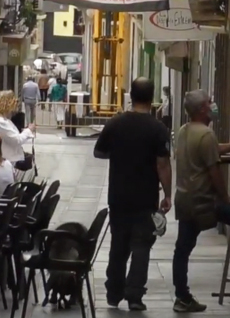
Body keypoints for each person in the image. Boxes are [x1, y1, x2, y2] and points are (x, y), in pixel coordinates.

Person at [94, 77, 172, 311]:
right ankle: (135, 296)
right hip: (145, 198)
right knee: (141, 248)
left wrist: (120, 155)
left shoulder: (115, 123)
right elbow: (163, 164)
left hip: (118, 196)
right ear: (152, 98)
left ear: (131, 97)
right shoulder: (158, 128)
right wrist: (167, 194)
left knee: (118, 246)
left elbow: (99, 152)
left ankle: (113, 293)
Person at [172, 90, 230, 313]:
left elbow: (211, 150)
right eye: (210, 102)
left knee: (182, 248)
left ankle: (182, 296)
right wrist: (227, 197)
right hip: (203, 201)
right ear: (201, 110)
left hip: (185, 199)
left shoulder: (185, 130)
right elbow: (214, 169)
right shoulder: (206, 134)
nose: (213, 105)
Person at [0, 91, 36, 170]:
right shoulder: (0, 122)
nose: (13, 111)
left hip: (4, 160)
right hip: (5, 161)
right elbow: (16, 140)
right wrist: (28, 130)